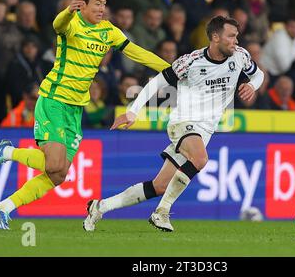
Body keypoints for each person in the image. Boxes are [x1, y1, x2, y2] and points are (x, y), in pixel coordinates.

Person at [0, 0, 171, 230]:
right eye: (97, 4)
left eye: (104, 4)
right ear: (82, 4)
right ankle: (6, 152)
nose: (102, 9)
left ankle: (2, 208)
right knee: (54, 164)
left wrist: (170, 69)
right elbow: (57, 24)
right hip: (54, 100)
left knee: (58, 175)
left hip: (75, 109)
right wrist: (67, 11)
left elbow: (136, 52)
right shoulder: (71, 24)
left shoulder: (109, 31)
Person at [83, 16, 264, 232]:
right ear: (215, 37)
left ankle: (100, 206)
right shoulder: (191, 62)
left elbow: (259, 74)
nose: (236, 40)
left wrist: (252, 85)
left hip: (206, 130)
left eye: (237, 36)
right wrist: (133, 111)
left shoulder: (240, 56)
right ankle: (161, 213)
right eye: (231, 36)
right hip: (183, 122)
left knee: (159, 186)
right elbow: (156, 83)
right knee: (200, 159)